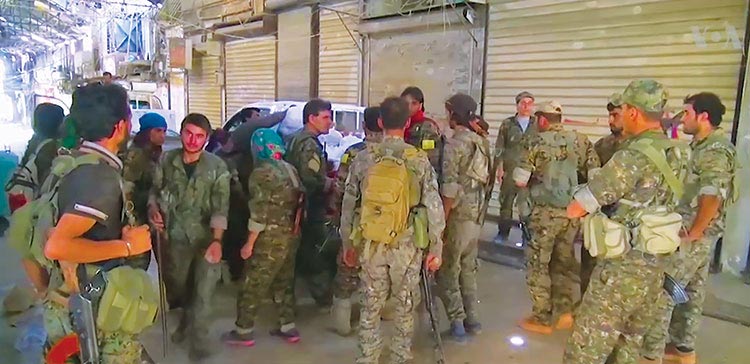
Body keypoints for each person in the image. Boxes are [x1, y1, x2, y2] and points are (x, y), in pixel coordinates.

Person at [563, 80, 691, 364]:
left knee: (585, 348)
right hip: (659, 267)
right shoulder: (680, 151)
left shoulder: (632, 155)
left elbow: (578, 207)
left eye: (622, 109)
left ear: (633, 112)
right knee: (629, 344)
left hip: (623, 268)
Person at [43, 83, 153, 363]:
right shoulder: (98, 177)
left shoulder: (70, 162)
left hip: (66, 298)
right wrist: (127, 246)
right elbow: (57, 246)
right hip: (92, 307)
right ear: (119, 127)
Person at [341, 96, 445, 364]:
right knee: (405, 305)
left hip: (371, 241)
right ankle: (399, 356)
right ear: (408, 122)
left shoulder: (364, 158)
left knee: (370, 305)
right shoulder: (418, 160)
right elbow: (434, 207)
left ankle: (368, 357)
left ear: (379, 122)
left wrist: (347, 245)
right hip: (407, 244)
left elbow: (349, 205)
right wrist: (436, 248)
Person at [640, 93, 736, 364]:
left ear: (703, 117)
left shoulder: (715, 150)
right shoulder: (701, 145)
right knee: (691, 292)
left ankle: (650, 355)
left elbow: (712, 195)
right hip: (700, 232)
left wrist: (694, 232)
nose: (683, 118)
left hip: (695, 231)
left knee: (663, 290)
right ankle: (683, 350)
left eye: (687, 113)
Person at [148, 113, 231, 360]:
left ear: (206, 139)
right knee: (182, 290)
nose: (193, 141)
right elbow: (155, 191)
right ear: (181, 133)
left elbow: (221, 207)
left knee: (203, 293)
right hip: (175, 239)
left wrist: (217, 241)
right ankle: (186, 322)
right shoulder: (167, 160)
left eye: (199, 136)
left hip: (206, 240)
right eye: (189, 134)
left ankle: (200, 346)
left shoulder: (217, 167)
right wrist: (153, 210)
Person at [513, 101, 600, 335]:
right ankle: (565, 313)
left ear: (542, 120)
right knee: (565, 261)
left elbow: (520, 179)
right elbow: (595, 177)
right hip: (572, 213)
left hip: (543, 214)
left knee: (538, 264)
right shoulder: (582, 140)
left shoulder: (535, 141)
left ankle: (541, 317)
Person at [222, 128, 305, 346]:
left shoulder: (261, 173)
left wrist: (249, 244)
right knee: (284, 282)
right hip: (292, 235)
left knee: (252, 283)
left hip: (269, 239)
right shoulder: (290, 169)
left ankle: (243, 331)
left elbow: (259, 213)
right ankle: (288, 327)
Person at [436, 93, 490, 342]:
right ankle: (474, 319)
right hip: (477, 216)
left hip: (458, 216)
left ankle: (456, 322)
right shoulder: (481, 142)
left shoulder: (455, 144)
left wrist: (441, 223)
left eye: (447, 111)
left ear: (454, 113)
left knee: (448, 269)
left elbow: (449, 189)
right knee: (468, 269)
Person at [330, 106, 383, 336]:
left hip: (355, 222)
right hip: (385, 225)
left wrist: (336, 214)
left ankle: (342, 322)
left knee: (347, 269)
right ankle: (377, 317)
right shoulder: (395, 153)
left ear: (364, 126)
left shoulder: (353, 153)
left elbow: (340, 188)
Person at [285, 98, 336, 306]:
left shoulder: (299, 138)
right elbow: (309, 178)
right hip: (308, 206)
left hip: (299, 205)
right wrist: (329, 184)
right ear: (311, 118)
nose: (330, 122)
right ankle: (322, 296)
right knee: (315, 250)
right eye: (325, 118)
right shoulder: (308, 144)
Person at [580, 94, 626, 296]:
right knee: (590, 267)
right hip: (600, 222)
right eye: (609, 115)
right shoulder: (603, 145)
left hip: (627, 228)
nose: (610, 121)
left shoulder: (643, 150)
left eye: (615, 115)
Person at [122, 112, 167, 270]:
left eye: (164, 131)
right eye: (158, 131)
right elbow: (126, 189)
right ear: (147, 132)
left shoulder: (154, 153)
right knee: (138, 262)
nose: (162, 135)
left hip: (150, 214)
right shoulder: (137, 155)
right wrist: (133, 221)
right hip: (138, 217)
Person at [494, 91, 539, 242]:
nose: (526, 106)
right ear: (517, 105)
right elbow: (500, 146)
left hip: (529, 171)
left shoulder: (537, 124)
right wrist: (499, 168)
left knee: (527, 205)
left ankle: (526, 236)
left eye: (529, 103)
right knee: (506, 203)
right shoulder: (508, 124)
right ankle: (503, 233)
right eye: (523, 103)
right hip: (510, 169)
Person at [6, 103, 65, 213]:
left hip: (22, 203)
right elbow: (46, 186)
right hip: (35, 209)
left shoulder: (35, 141)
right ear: (58, 124)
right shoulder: (50, 149)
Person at [401, 86, 444, 177]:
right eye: (405, 103)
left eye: (414, 103)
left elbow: (432, 157)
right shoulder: (397, 123)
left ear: (420, 105)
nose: (409, 107)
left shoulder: (428, 127)